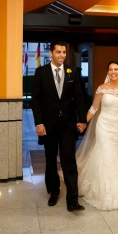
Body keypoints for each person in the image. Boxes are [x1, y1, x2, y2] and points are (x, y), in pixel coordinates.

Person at [76, 60, 118, 210]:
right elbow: (94, 109)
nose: (113, 72)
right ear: (107, 72)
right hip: (104, 126)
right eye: (110, 69)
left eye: (116, 69)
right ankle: (103, 189)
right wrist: (83, 122)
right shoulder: (102, 89)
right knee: (105, 152)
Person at [31, 39, 87, 211]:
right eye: (58, 52)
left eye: (64, 52)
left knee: (69, 161)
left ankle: (72, 200)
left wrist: (83, 120)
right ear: (51, 53)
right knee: (50, 160)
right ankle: (54, 192)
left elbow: (79, 97)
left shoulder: (72, 72)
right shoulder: (41, 72)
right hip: (48, 125)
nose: (62, 55)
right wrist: (39, 123)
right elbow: (36, 101)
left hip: (68, 124)